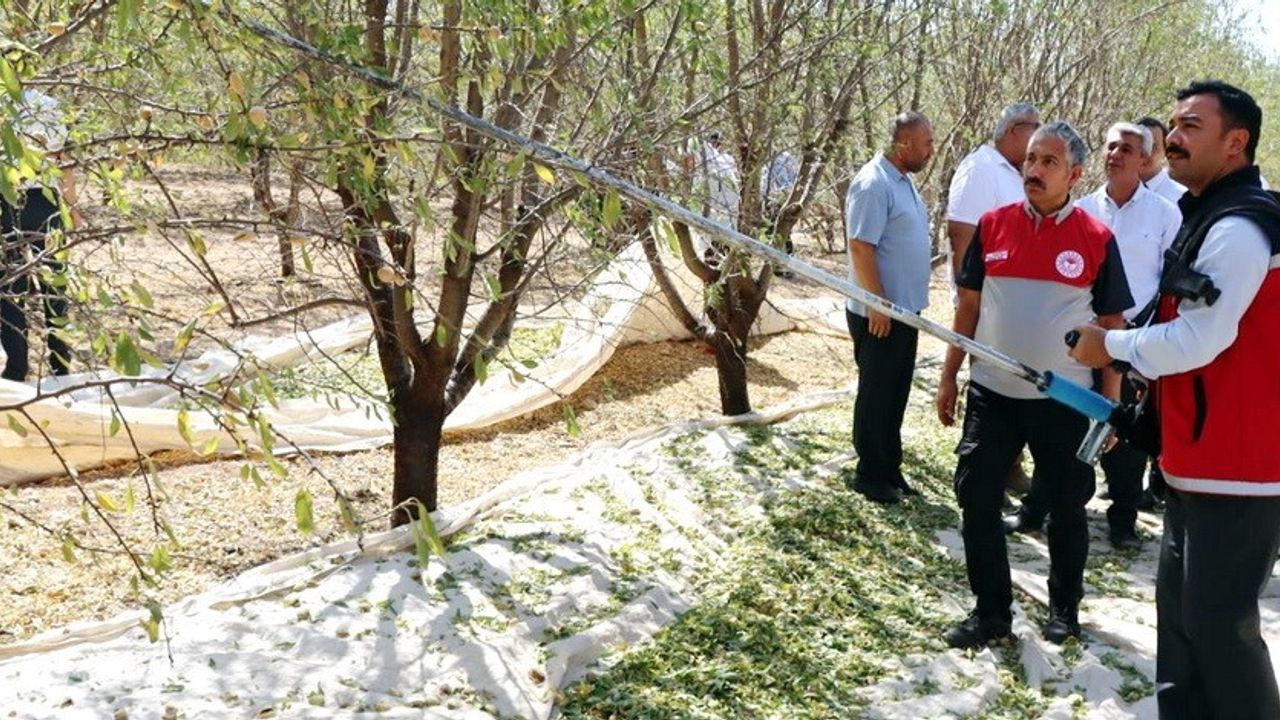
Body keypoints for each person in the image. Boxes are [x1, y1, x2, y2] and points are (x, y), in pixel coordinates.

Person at [1068, 81, 1280, 720]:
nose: (1175, 139)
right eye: (1173, 126)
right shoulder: (1208, 215)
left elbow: (1199, 339)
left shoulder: (1241, 227)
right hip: (1196, 462)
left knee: (1219, 626)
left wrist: (1112, 347)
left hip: (1240, 470)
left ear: (1236, 142)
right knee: (1183, 623)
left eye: (1191, 127)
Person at [937, 121, 1133, 647]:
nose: (1035, 170)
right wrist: (950, 375)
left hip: (1064, 400)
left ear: (1075, 175)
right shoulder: (993, 225)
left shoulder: (1096, 238)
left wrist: (1110, 406)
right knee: (977, 496)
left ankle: (1064, 610)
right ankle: (991, 614)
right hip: (992, 393)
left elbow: (1111, 326)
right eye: (1030, 159)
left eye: (1049, 162)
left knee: (1067, 505)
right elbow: (968, 307)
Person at [1075, 122, 1181, 550]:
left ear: (1146, 158)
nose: (1116, 154)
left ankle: (1123, 519)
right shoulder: (1081, 209)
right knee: (1070, 417)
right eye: (1112, 146)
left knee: (1127, 428)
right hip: (1083, 335)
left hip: (1135, 337)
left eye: (1127, 148)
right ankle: (1052, 505)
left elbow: (1170, 282)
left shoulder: (1166, 214)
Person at [947, 102, 1044, 511]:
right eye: (1035, 128)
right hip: (986, 304)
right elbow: (961, 234)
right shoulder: (980, 169)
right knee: (989, 391)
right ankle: (983, 475)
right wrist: (969, 296)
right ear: (1014, 129)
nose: (1038, 137)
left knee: (1017, 386)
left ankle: (1010, 465)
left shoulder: (1017, 172)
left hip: (1016, 307)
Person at [843, 111, 935, 504]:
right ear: (904, 144)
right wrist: (877, 303)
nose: (931, 151)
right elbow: (860, 247)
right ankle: (869, 473)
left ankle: (889, 466)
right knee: (877, 394)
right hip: (879, 314)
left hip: (904, 312)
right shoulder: (873, 183)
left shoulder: (903, 181)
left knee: (896, 393)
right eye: (926, 143)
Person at [2, 86, 76, 382]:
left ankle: (17, 367)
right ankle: (61, 363)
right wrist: (72, 208)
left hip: (9, 202)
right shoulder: (51, 106)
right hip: (47, 203)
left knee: (11, 288)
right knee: (54, 284)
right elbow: (63, 161)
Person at [1137, 116, 1189, 204]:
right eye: (1140, 145)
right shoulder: (1116, 191)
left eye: (1153, 146)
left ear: (1165, 151)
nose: (1145, 153)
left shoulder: (1180, 197)